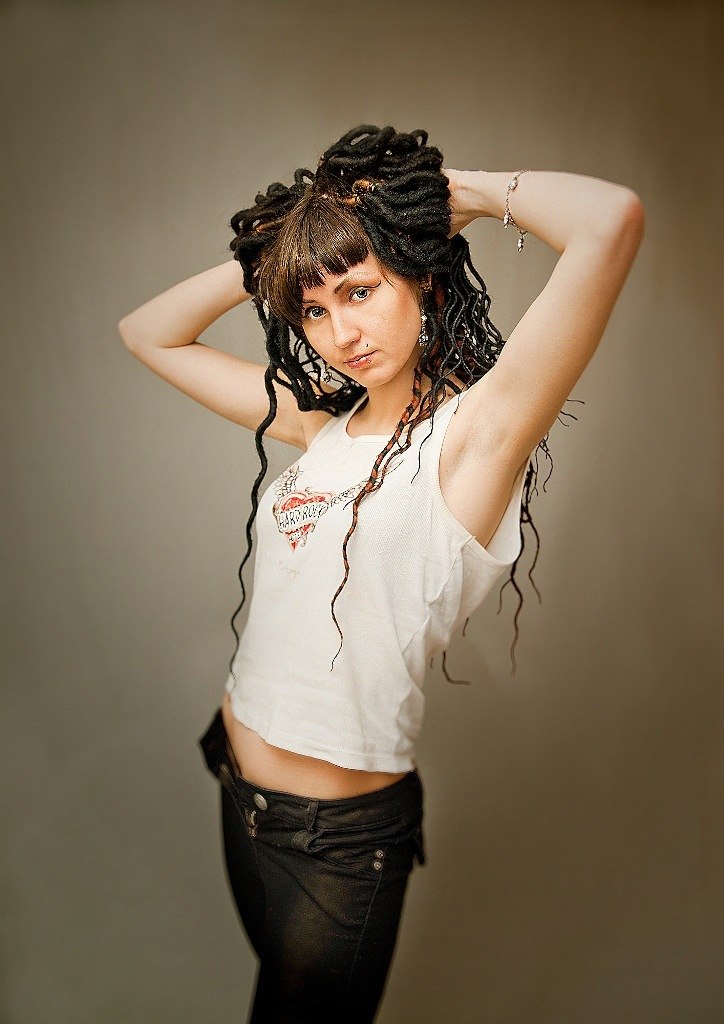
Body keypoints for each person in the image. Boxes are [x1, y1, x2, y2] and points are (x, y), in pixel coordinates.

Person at [118, 124, 645, 1023]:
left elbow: (611, 219)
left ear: (422, 278)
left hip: (336, 848)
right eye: (313, 311)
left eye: (360, 291)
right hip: (238, 789)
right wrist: (288, 246)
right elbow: (148, 334)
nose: (340, 333)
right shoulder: (321, 424)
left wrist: (442, 198)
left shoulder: (476, 439)